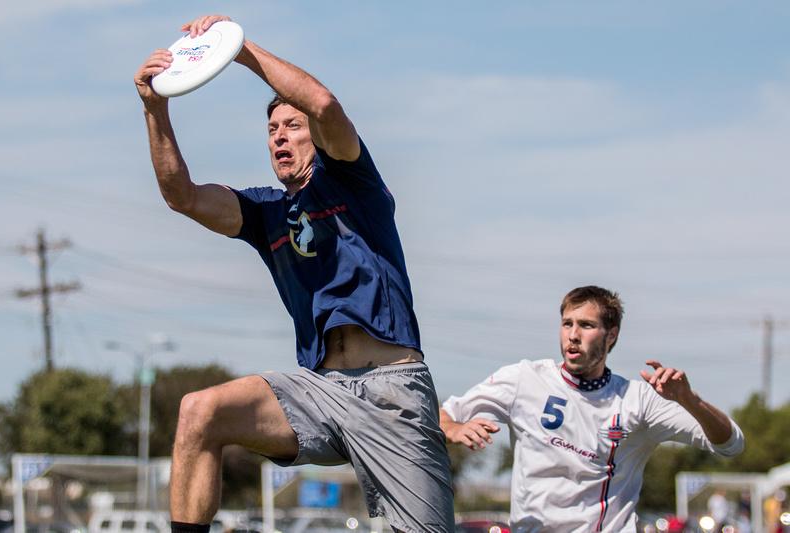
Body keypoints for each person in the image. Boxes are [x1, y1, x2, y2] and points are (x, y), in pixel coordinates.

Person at [134, 14, 454, 533]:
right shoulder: (264, 213)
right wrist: (155, 107)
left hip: (392, 391)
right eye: (271, 130)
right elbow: (183, 196)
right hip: (320, 391)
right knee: (200, 412)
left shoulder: (353, 181)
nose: (279, 137)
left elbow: (323, 104)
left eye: (292, 126)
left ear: (316, 137)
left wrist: (237, 51)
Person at [440, 286, 744, 532]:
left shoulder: (638, 399)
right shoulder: (524, 379)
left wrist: (691, 401)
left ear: (611, 336)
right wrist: (454, 428)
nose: (573, 335)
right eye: (567, 324)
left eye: (586, 325)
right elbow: (442, 416)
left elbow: (731, 444)